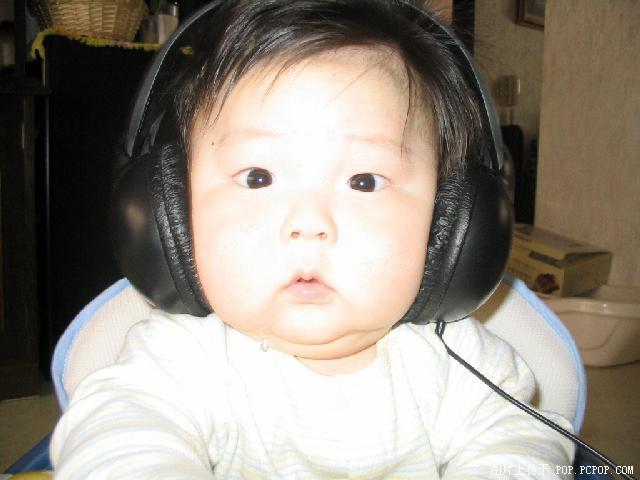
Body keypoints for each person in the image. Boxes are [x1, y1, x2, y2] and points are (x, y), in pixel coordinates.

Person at [50, 0, 574, 478]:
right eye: (257, 177)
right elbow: (119, 440)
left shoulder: (467, 367)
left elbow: (521, 448)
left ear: (453, 222)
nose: (308, 222)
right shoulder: (177, 361)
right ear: (170, 215)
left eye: (364, 182)